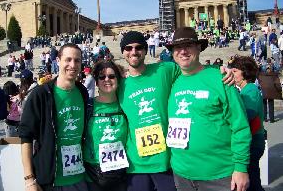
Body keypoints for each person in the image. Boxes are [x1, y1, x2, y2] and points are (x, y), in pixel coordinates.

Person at [117, 31, 233, 191]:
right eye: (128, 48)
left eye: (138, 47)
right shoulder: (119, 85)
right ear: (122, 52)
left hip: (167, 161)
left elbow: (193, 70)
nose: (133, 52)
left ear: (145, 50)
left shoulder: (165, 69)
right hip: (136, 164)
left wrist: (218, 69)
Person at [165, 27, 251, 191]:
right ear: (172, 53)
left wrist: (241, 167)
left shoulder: (221, 79)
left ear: (199, 47)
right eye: (177, 47)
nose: (183, 51)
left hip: (219, 176)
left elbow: (240, 126)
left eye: (188, 45)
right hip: (181, 174)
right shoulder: (173, 81)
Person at [19, 43, 89, 191]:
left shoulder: (82, 92)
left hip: (79, 176)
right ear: (58, 61)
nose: (72, 65)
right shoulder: (41, 94)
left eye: (77, 60)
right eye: (68, 59)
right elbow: (26, 137)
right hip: (51, 180)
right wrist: (29, 180)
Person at [83, 60, 128, 191]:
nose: (107, 79)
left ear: (118, 80)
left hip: (121, 174)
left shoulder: (126, 105)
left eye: (112, 76)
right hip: (92, 175)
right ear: (96, 82)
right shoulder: (87, 106)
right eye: (102, 77)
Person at [230, 56, 265, 191]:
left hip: (253, 141)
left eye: (234, 71)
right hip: (254, 139)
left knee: (251, 181)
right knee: (253, 179)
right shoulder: (247, 89)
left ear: (244, 72)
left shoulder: (250, 90)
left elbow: (246, 115)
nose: (232, 74)